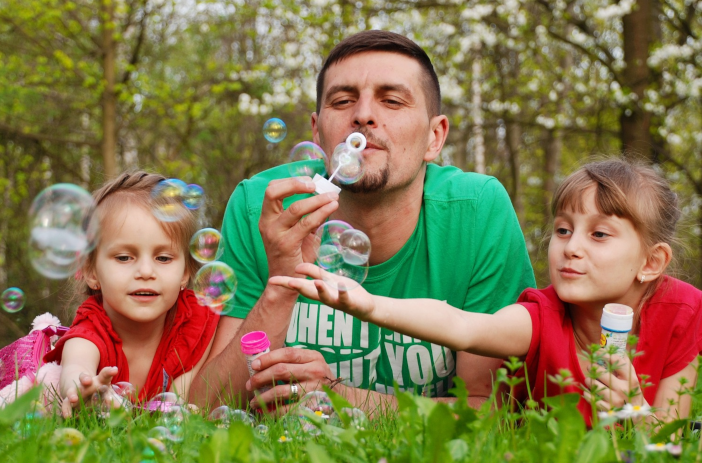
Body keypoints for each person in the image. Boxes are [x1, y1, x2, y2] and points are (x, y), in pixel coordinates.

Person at [190, 30, 535, 411]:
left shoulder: (476, 211)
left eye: (391, 100)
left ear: (435, 138)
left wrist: (338, 398)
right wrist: (282, 285)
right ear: (318, 132)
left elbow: (490, 411)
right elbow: (206, 406)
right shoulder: (264, 206)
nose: (364, 115)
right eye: (342, 100)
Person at [271, 159, 702, 424]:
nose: (571, 248)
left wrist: (634, 413)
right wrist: (370, 304)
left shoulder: (682, 311)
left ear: (652, 263)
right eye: (564, 230)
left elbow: (669, 440)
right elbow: (462, 325)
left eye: (599, 235)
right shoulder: (542, 317)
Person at [44, 171, 219, 417]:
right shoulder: (92, 327)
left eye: (163, 258)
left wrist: (180, 408)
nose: (146, 271)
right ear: (92, 271)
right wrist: (82, 390)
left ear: (185, 273)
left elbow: (183, 398)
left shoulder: (196, 321)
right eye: (124, 257)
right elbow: (76, 366)